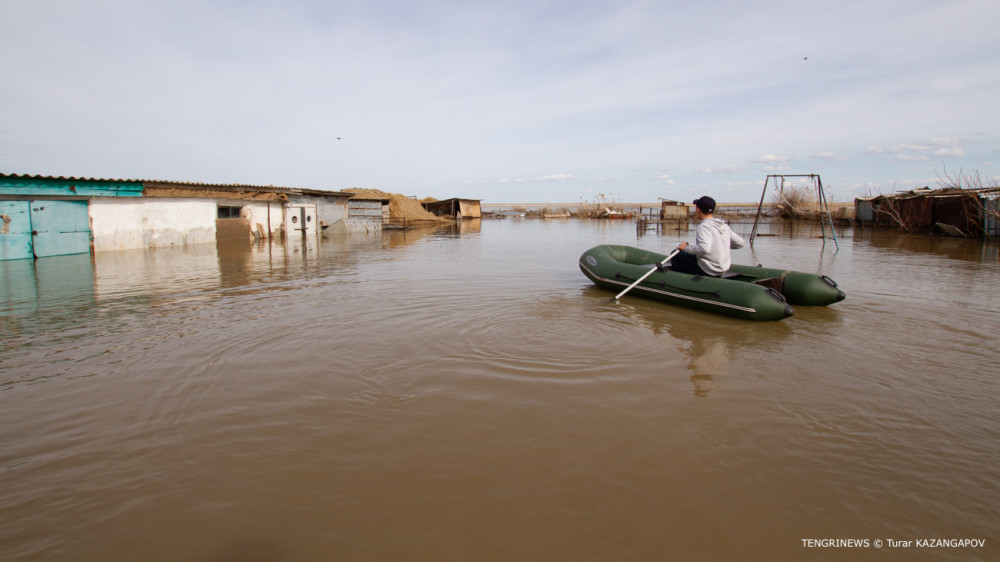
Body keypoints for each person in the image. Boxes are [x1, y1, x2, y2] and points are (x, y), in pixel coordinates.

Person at [668, 196, 745, 276]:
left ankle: (681, 280)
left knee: (675, 254)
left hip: (708, 269)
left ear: (698, 210)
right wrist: (721, 245)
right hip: (723, 268)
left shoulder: (704, 227)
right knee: (691, 254)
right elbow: (741, 243)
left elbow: (704, 248)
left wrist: (685, 248)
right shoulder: (724, 226)